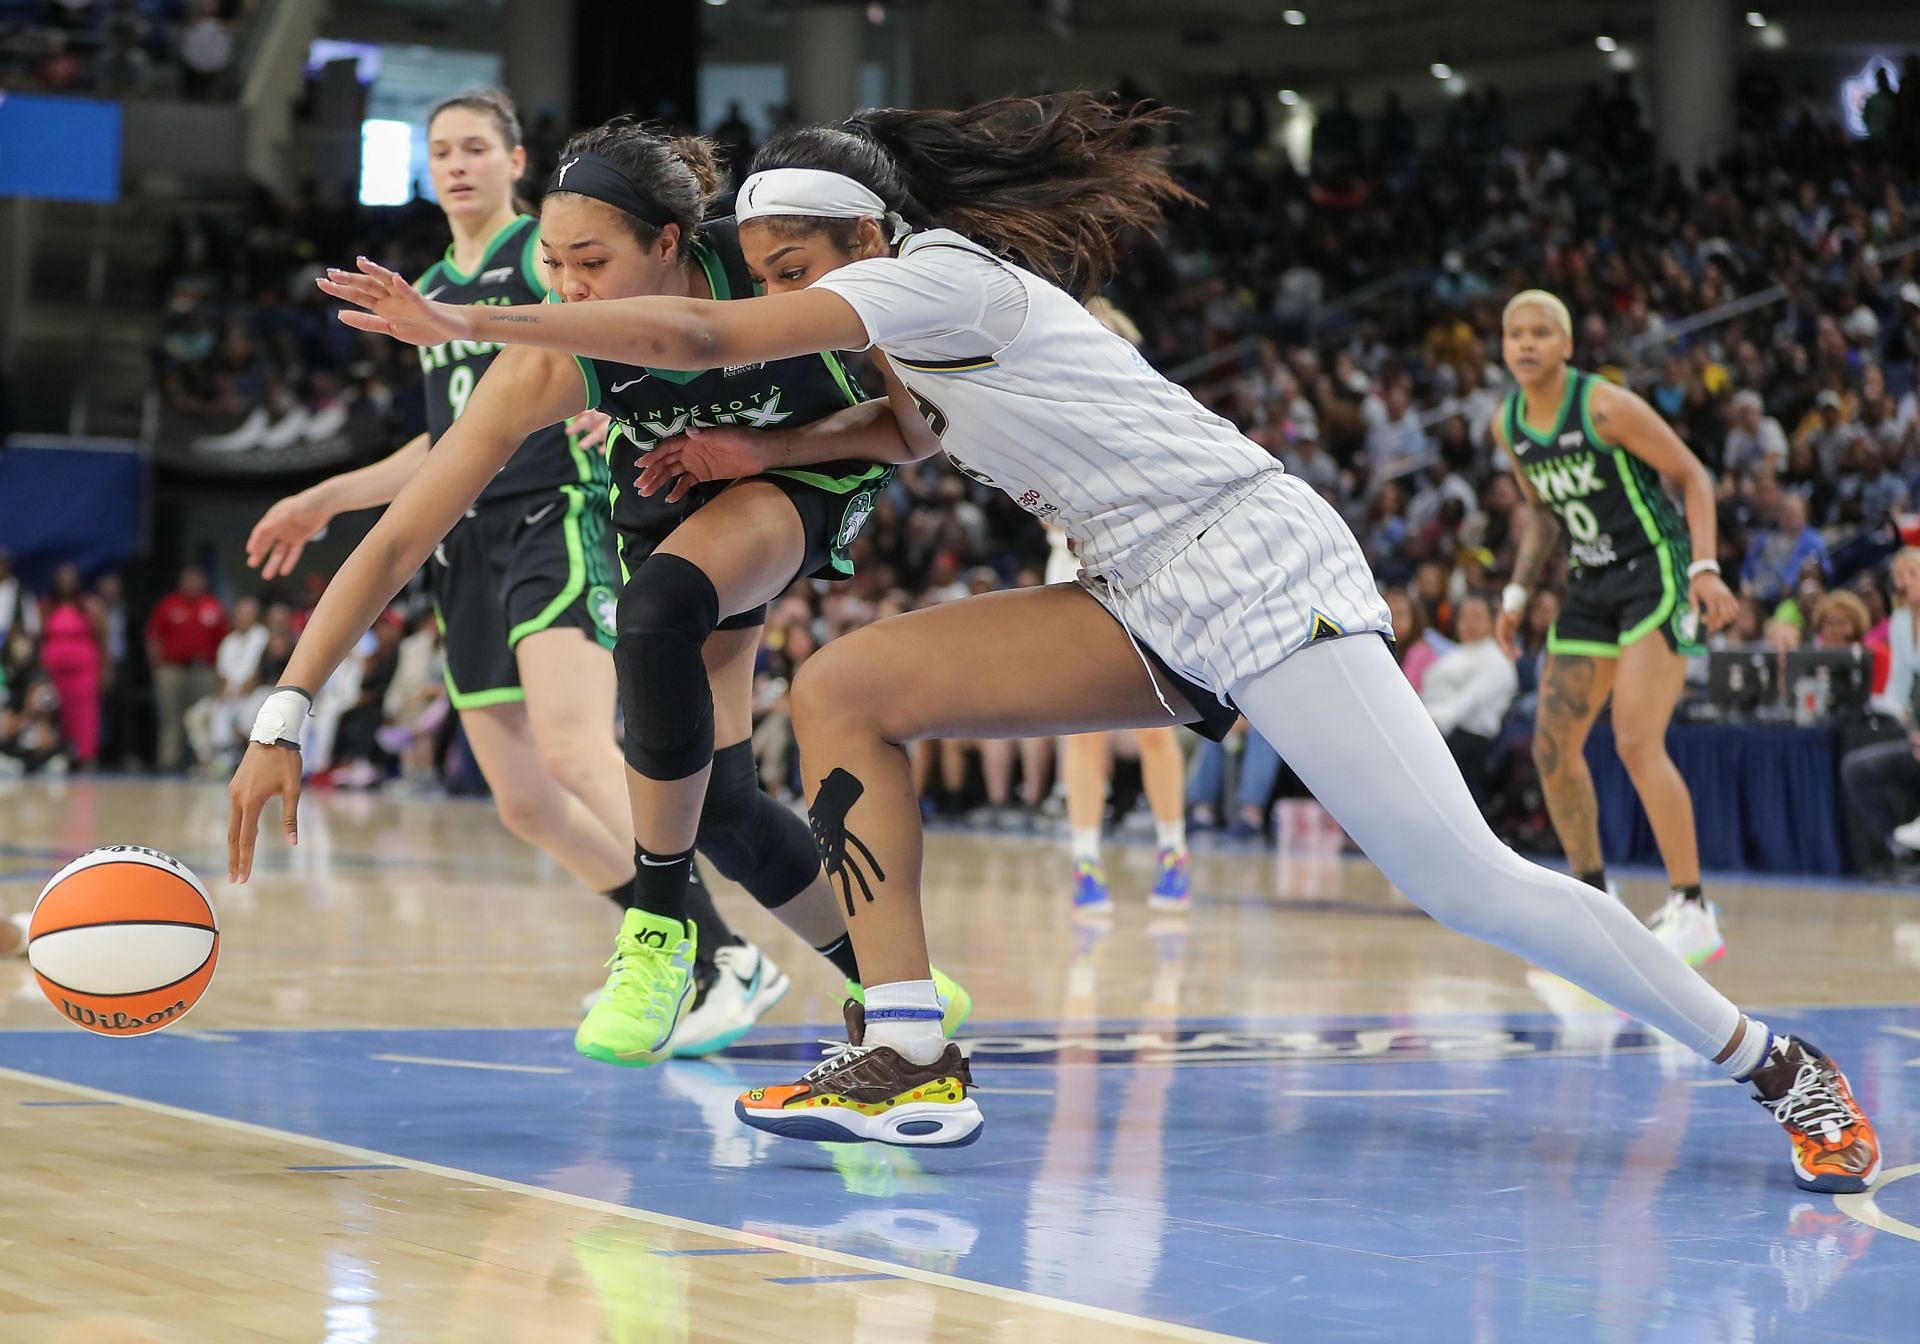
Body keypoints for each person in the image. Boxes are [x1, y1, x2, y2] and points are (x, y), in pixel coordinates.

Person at [308, 95, 1878, 1194]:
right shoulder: (902, 321)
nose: (787, 296)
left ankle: (1772, 1060)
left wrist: (483, 323)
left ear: (864, 231)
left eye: (800, 270)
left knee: (1460, 881)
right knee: (846, 686)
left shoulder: (934, 273)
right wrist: (741, 463)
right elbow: (909, 439)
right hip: (1136, 582)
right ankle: (907, 1050)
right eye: (777, 276)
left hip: (1254, 558)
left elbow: (708, 337)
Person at [231, 112, 970, 1066]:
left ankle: (665, 935)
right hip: (674, 484)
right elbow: (405, 530)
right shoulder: (553, 354)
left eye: (592, 262)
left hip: (808, 471)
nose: (568, 287)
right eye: (551, 263)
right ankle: (899, 983)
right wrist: (282, 714)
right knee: (719, 801)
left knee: (656, 614)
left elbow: (913, 430)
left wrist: (768, 447)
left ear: (670, 244)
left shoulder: (777, 267)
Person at [1492, 291, 1740, 968]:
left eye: (1542, 332)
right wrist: (1516, 593)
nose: (1527, 343)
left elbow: (1692, 474)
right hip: (1590, 582)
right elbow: (1544, 516)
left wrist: (1708, 569)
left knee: (1635, 739)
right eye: (1516, 333)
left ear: (1567, 345)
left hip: (1656, 570)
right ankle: (1594, 906)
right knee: (1551, 748)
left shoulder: (1602, 404)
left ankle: (1693, 908)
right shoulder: (1507, 422)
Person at [1420, 594, 1518, 813]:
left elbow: (1464, 705)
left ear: (1492, 622)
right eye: (1465, 616)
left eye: (1477, 617)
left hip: (1468, 739)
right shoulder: (1453, 654)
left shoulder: (1497, 660)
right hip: (1435, 728)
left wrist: (1421, 723)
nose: (1469, 624)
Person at [144, 564, 228, 772]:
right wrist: (157, 667)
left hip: (203, 670)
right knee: (170, 718)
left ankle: (203, 762)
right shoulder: (169, 605)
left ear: (204, 582)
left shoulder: (212, 606)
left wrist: (220, 673)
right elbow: (153, 636)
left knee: (203, 717)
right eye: (188, 579)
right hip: (172, 670)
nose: (192, 584)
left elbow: (225, 640)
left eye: (196, 579)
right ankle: (168, 762)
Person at [37, 563, 104, 770]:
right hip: (54, 669)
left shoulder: (89, 605)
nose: (66, 582)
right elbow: (40, 637)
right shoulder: (48, 606)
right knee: (56, 711)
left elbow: (102, 637)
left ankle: (86, 757)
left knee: (85, 713)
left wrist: (105, 667)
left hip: (83, 668)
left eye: (70, 577)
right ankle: (59, 755)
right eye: (62, 578)